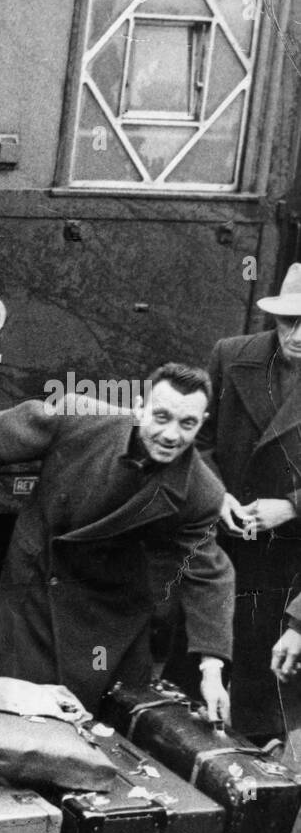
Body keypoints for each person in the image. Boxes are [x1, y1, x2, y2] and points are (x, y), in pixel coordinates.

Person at [0, 364, 235, 718]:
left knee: (109, 714)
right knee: (18, 703)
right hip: (39, 574)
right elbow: (16, 426)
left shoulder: (203, 492)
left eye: (187, 424)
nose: (171, 435)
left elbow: (209, 574)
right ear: (140, 408)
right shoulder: (83, 418)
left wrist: (212, 669)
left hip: (112, 605)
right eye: (161, 417)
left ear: (201, 421)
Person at [172, 263, 301, 746]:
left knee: (266, 696)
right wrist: (216, 492)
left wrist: (290, 506)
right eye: (290, 321)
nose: (298, 335)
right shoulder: (232, 355)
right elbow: (197, 440)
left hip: (288, 563)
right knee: (192, 689)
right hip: (221, 544)